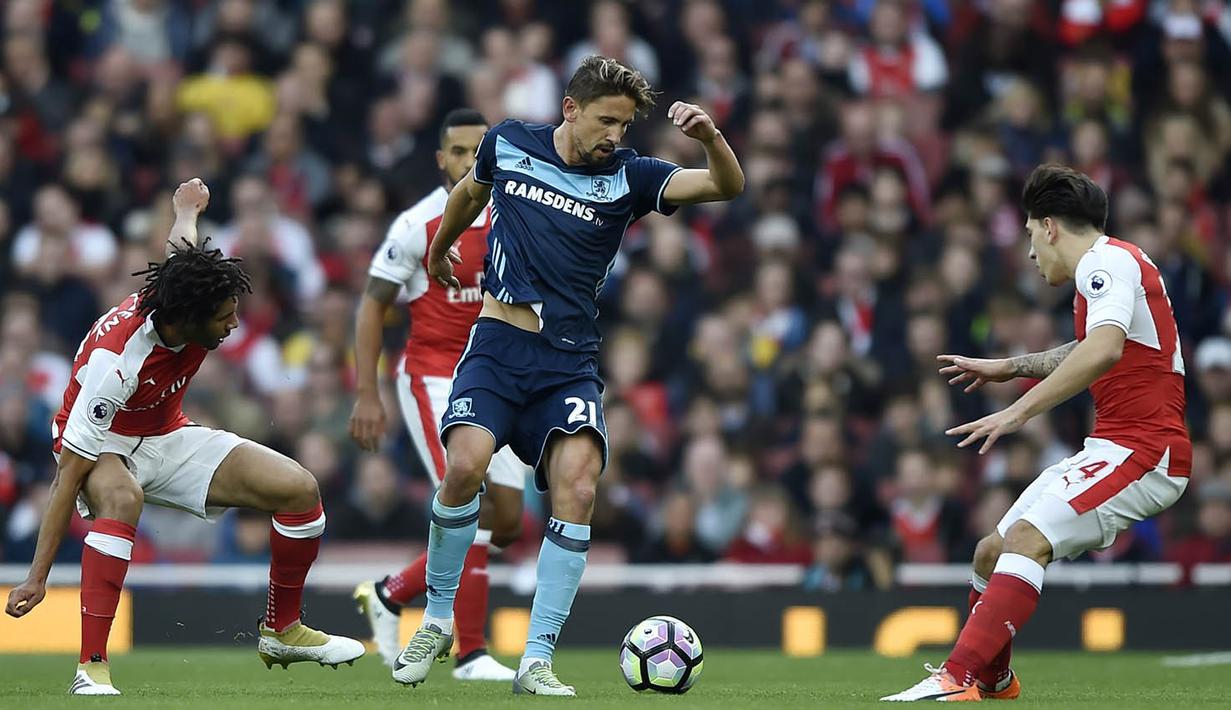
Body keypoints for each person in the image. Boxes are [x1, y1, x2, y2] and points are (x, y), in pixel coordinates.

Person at [393, 55, 743, 696]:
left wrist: (710, 140)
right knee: (464, 467)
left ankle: (536, 658)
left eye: (627, 125)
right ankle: (436, 619)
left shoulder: (631, 178)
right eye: (607, 120)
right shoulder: (507, 141)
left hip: (568, 364)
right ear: (571, 110)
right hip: (498, 349)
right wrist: (442, 249)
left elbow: (726, 187)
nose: (616, 135)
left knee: (578, 489)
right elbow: (469, 194)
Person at [3, 179, 364, 696]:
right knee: (123, 497)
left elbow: (182, 246)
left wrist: (185, 209)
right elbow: (67, 476)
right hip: (100, 441)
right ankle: (92, 666)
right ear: (189, 317)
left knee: (300, 489)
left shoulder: (188, 288)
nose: (234, 324)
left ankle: (282, 631)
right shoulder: (119, 361)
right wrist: (38, 576)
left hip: (165, 431)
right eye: (224, 318)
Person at [882, 164, 1190, 702]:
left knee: (1028, 541)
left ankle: (958, 676)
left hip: (1145, 449)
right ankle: (996, 677)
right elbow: (1093, 346)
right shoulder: (1108, 271)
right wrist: (1009, 366)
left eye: (1030, 235)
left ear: (1049, 227)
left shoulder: (1106, 261)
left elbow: (1105, 349)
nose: (1029, 253)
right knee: (990, 552)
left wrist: (1016, 413)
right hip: (1113, 446)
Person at [349, 108, 529, 682]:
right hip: (436, 377)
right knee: (469, 501)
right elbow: (373, 304)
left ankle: (391, 591)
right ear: (440, 159)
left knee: (507, 522)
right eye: (458, 151)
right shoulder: (418, 224)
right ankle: (470, 653)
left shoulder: (517, 210)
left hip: (497, 376)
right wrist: (366, 394)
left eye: (480, 149)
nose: (470, 160)